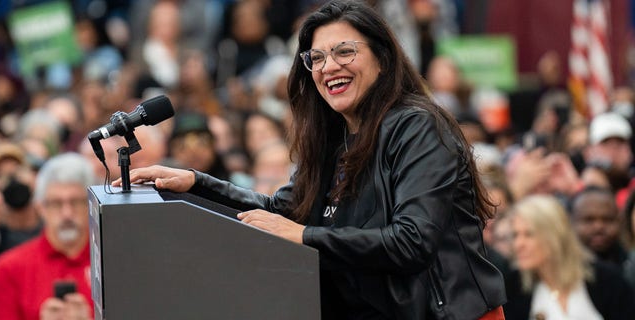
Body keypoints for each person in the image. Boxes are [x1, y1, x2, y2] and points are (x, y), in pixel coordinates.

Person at [115, 1, 506, 319]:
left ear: (383, 59)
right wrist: (195, 184)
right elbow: (281, 212)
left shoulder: (417, 127)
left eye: (344, 52)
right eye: (316, 58)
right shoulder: (332, 139)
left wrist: (303, 236)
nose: (328, 67)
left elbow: (411, 241)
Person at [0, 153, 95, 320]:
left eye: (76, 202)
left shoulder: (111, 263)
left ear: (90, 205)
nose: (67, 213)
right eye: (56, 203)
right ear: (40, 207)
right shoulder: (9, 269)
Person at [503, 194, 635, 319]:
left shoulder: (607, 280)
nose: (519, 244)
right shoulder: (513, 288)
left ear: (554, 235)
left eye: (529, 234)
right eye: (516, 235)